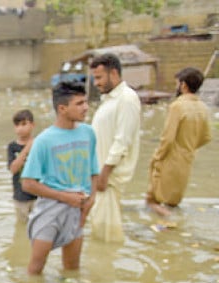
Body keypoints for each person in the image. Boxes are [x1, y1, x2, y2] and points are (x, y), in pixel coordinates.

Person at [22, 81, 99, 275]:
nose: (86, 108)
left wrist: (92, 199)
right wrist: (65, 197)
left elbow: (93, 171)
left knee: (72, 270)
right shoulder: (43, 141)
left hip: (78, 207)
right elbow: (28, 183)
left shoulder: (88, 133)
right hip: (50, 209)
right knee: (36, 269)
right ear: (62, 108)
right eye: (79, 103)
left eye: (86, 102)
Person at [88, 52, 141, 243]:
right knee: (99, 226)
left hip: (108, 179)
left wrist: (104, 173)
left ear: (114, 74)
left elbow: (122, 141)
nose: (96, 83)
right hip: (100, 176)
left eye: (99, 77)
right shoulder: (110, 100)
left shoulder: (127, 99)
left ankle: (106, 267)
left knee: (107, 235)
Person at [146, 67, 212, 216]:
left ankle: (169, 228)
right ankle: (172, 229)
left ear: (183, 85)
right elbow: (206, 137)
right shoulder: (203, 107)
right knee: (173, 202)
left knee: (153, 200)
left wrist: (157, 158)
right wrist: (189, 146)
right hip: (187, 160)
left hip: (169, 160)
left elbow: (167, 139)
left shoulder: (177, 106)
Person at [7, 109, 37, 223]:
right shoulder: (12, 147)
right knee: (22, 226)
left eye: (24, 124)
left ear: (33, 125)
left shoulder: (39, 144)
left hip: (39, 195)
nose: (20, 128)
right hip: (20, 197)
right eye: (17, 125)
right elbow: (13, 169)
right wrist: (27, 149)